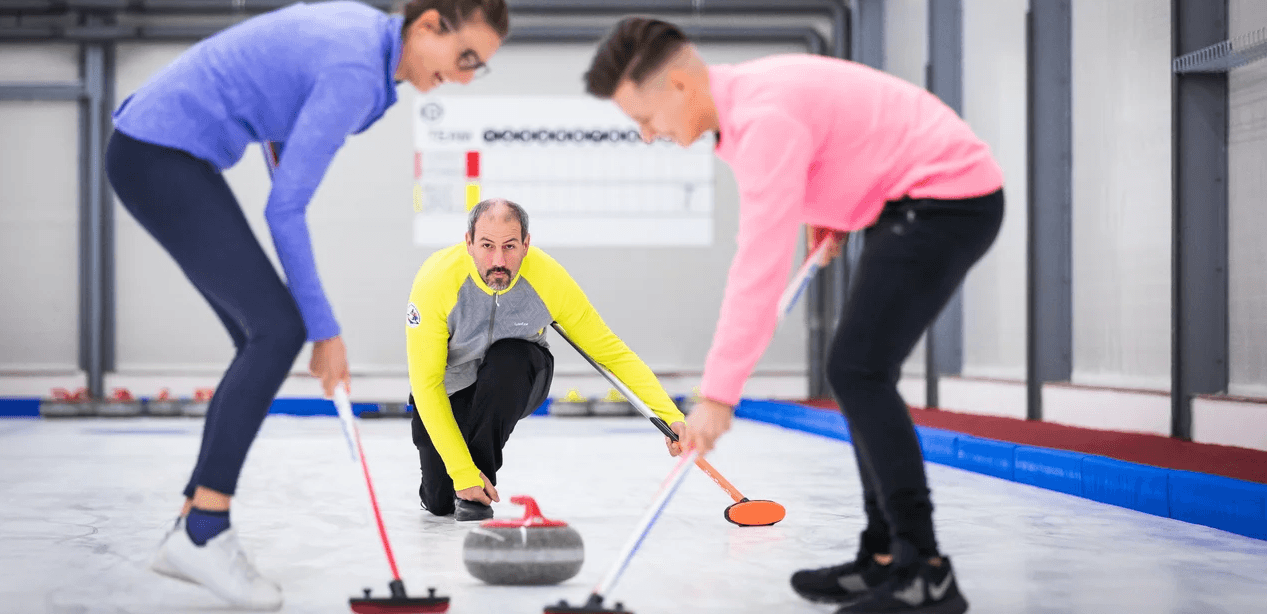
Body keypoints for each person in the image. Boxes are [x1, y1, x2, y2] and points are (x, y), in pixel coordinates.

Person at [585, 17, 1005, 614]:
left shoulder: (762, 121)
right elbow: (848, 139)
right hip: (909, 198)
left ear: (678, 86)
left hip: (950, 198)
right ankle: (884, 558)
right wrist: (830, 210)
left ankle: (926, 570)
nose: (648, 135)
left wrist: (717, 395)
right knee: (857, 370)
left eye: (644, 119)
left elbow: (758, 267)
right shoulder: (745, 102)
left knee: (859, 370)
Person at [104, 0, 508, 608]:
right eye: (466, 57)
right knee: (277, 331)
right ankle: (204, 528)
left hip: (156, 151)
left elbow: (278, 120)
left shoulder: (362, 43)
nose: (467, 76)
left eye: (481, 67)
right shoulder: (354, 67)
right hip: (160, 155)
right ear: (428, 25)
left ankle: (193, 519)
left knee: (261, 332)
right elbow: (284, 209)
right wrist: (326, 332)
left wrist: (314, 321)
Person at [406, 198, 687, 521]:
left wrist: (670, 414)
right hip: (451, 385)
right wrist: (458, 469)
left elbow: (610, 352)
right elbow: (426, 384)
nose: (499, 260)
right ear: (468, 243)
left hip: (516, 375)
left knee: (507, 360)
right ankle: (461, 482)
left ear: (526, 244)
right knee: (440, 502)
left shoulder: (548, 279)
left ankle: (477, 488)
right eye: (487, 246)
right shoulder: (436, 283)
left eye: (510, 246)